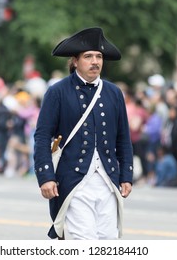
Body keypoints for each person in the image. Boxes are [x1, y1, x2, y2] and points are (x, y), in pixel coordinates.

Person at [34, 27, 134, 240]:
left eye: (98, 56)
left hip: (108, 180)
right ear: (75, 61)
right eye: (88, 57)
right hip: (73, 180)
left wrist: (126, 175)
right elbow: (42, 137)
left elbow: (123, 139)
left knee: (109, 241)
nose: (95, 61)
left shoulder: (114, 93)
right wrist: (45, 176)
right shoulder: (57, 92)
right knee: (85, 240)